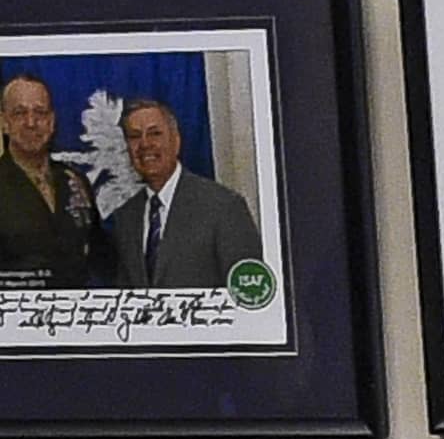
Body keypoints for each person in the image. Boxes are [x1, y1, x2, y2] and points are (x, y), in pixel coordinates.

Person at [100, 97, 262, 292]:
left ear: (176, 141)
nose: (145, 144)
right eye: (134, 136)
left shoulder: (223, 207)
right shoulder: (125, 217)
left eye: (155, 133)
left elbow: (249, 293)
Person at [0, 74, 103, 290]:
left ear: (52, 122)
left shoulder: (74, 181)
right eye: (20, 113)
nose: (31, 123)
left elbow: (98, 254)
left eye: (40, 112)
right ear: (4, 123)